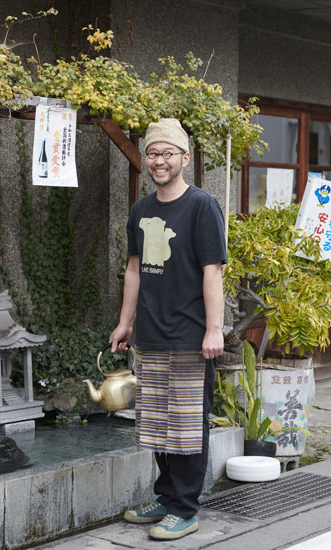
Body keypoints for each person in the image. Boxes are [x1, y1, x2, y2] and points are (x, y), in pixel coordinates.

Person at [109, 118, 226, 541]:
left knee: (188, 423)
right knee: (158, 422)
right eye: (153, 153)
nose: (159, 160)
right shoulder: (141, 210)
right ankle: (165, 495)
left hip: (192, 333)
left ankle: (185, 507)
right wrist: (126, 323)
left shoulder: (201, 206)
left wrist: (215, 329)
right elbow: (134, 270)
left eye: (167, 153)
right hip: (152, 333)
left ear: (184, 159)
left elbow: (212, 271)